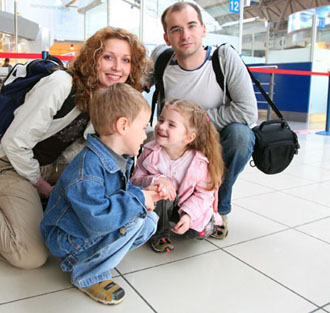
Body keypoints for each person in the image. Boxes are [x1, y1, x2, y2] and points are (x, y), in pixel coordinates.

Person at [0, 27, 148, 269]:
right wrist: (41, 185)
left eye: (126, 60)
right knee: (30, 256)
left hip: (61, 170)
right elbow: (14, 144)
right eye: (108, 57)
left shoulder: (113, 100)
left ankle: (20, 217)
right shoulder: (61, 84)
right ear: (92, 58)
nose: (117, 67)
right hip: (16, 166)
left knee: (61, 241)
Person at [41, 83, 163, 305]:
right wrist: (139, 200)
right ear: (123, 125)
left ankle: (96, 257)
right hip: (67, 239)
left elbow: (118, 198)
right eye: (143, 127)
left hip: (84, 229)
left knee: (149, 221)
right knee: (135, 219)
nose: (145, 136)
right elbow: (98, 220)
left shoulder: (118, 157)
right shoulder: (87, 170)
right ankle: (88, 275)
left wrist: (144, 197)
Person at [149, 2, 258, 238]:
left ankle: (220, 208)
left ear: (203, 29)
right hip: (174, 143)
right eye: (176, 29)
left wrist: (196, 122)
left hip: (214, 139)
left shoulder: (224, 58)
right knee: (145, 139)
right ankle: (161, 208)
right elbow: (134, 82)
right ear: (167, 38)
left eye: (191, 26)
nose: (185, 35)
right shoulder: (161, 60)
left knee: (241, 136)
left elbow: (248, 112)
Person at [131, 99, 224, 252]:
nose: (161, 126)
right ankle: (160, 234)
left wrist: (188, 215)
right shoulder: (149, 152)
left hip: (187, 205)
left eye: (171, 124)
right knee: (160, 192)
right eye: (161, 120)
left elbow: (203, 195)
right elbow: (134, 181)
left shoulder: (199, 162)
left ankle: (211, 224)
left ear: (189, 137)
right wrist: (156, 180)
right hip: (161, 204)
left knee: (195, 233)